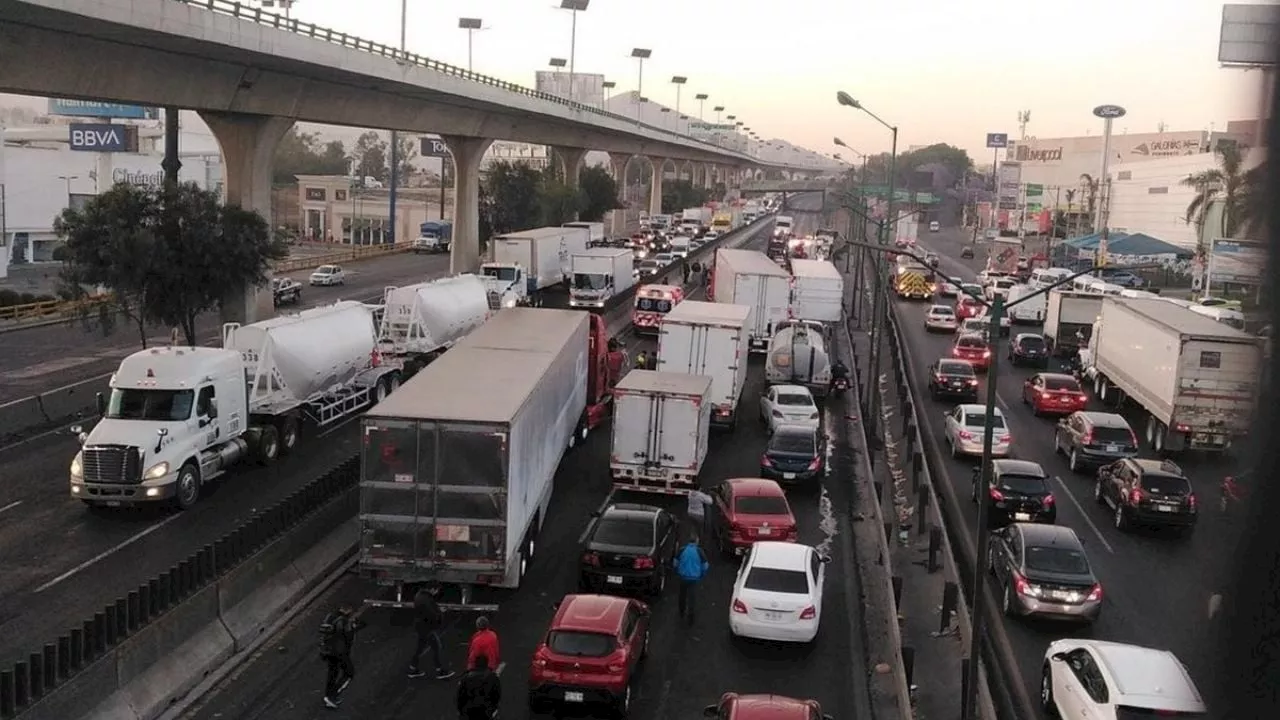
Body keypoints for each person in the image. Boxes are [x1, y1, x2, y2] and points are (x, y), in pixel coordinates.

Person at [319, 603, 363, 710]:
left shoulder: (330, 617)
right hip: (339, 651)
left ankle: (328, 696)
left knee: (332, 673)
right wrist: (357, 626)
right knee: (349, 673)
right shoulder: (343, 621)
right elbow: (348, 635)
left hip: (327, 650)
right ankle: (332, 695)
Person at [408, 584, 455, 680]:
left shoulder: (419, 596)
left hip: (420, 626)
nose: (436, 592)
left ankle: (413, 668)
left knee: (420, 648)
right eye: (436, 590)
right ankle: (440, 671)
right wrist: (440, 613)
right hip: (427, 627)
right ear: (432, 589)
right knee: (437, 647)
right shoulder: (427, 599)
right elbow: (432, 614)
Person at [673, 533, 710, 622]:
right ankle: (691, 616)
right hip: (694, 578)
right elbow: (705, 566)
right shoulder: (699, 551)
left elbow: (675, 563)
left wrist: (677, 572)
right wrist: (702, 575)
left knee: (682, 595)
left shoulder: (682, 550)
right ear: (697, 541)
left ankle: (681, 612)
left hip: (683, 577)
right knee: (692, 598)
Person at [455, 655, 502, 720]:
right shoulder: (493, 678)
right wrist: (493, 709)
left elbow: (460, 697)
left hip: (468, 712)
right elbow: (496, 696)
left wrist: (461, 711)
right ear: (487, 664)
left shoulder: (466, 678)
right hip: (486, 711)